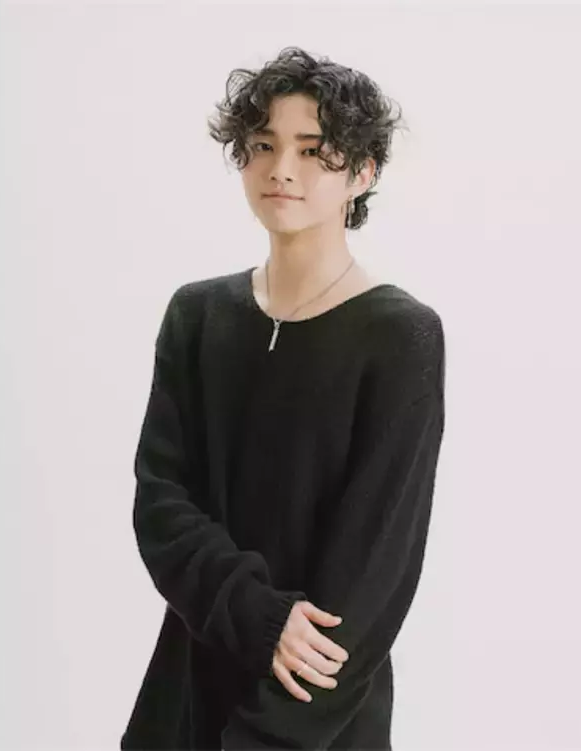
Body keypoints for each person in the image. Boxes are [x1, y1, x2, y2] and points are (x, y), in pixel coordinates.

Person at [120, 46, 446, 750]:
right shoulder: (197, 315)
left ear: (363, 172)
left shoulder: (400, 336)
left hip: (315, 721)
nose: (282, 169)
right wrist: (259, 615)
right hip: (182, 702)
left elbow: (376, 571)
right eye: (263, 145)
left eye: (313, 149)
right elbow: (161, 504)